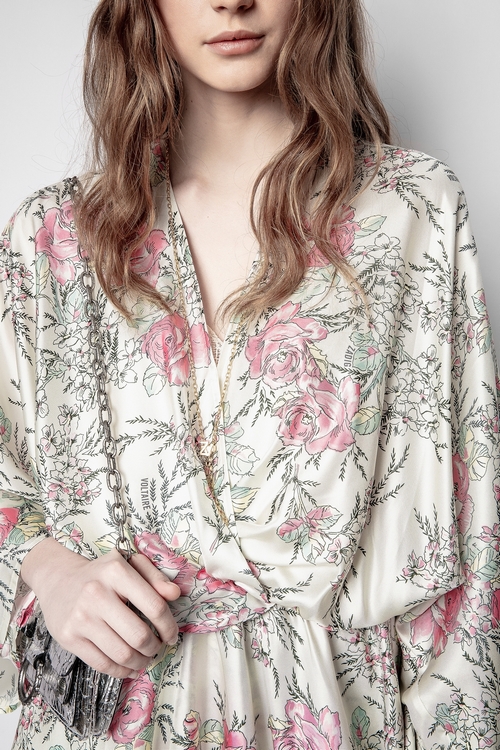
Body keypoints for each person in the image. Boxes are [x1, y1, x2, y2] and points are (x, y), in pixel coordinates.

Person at [0, 0, 499, 748]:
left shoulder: (409, 211)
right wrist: (50, 571)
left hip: (335, 714)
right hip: (116, 718)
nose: (230, 1)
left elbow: (468, 534)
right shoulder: (53, 239)